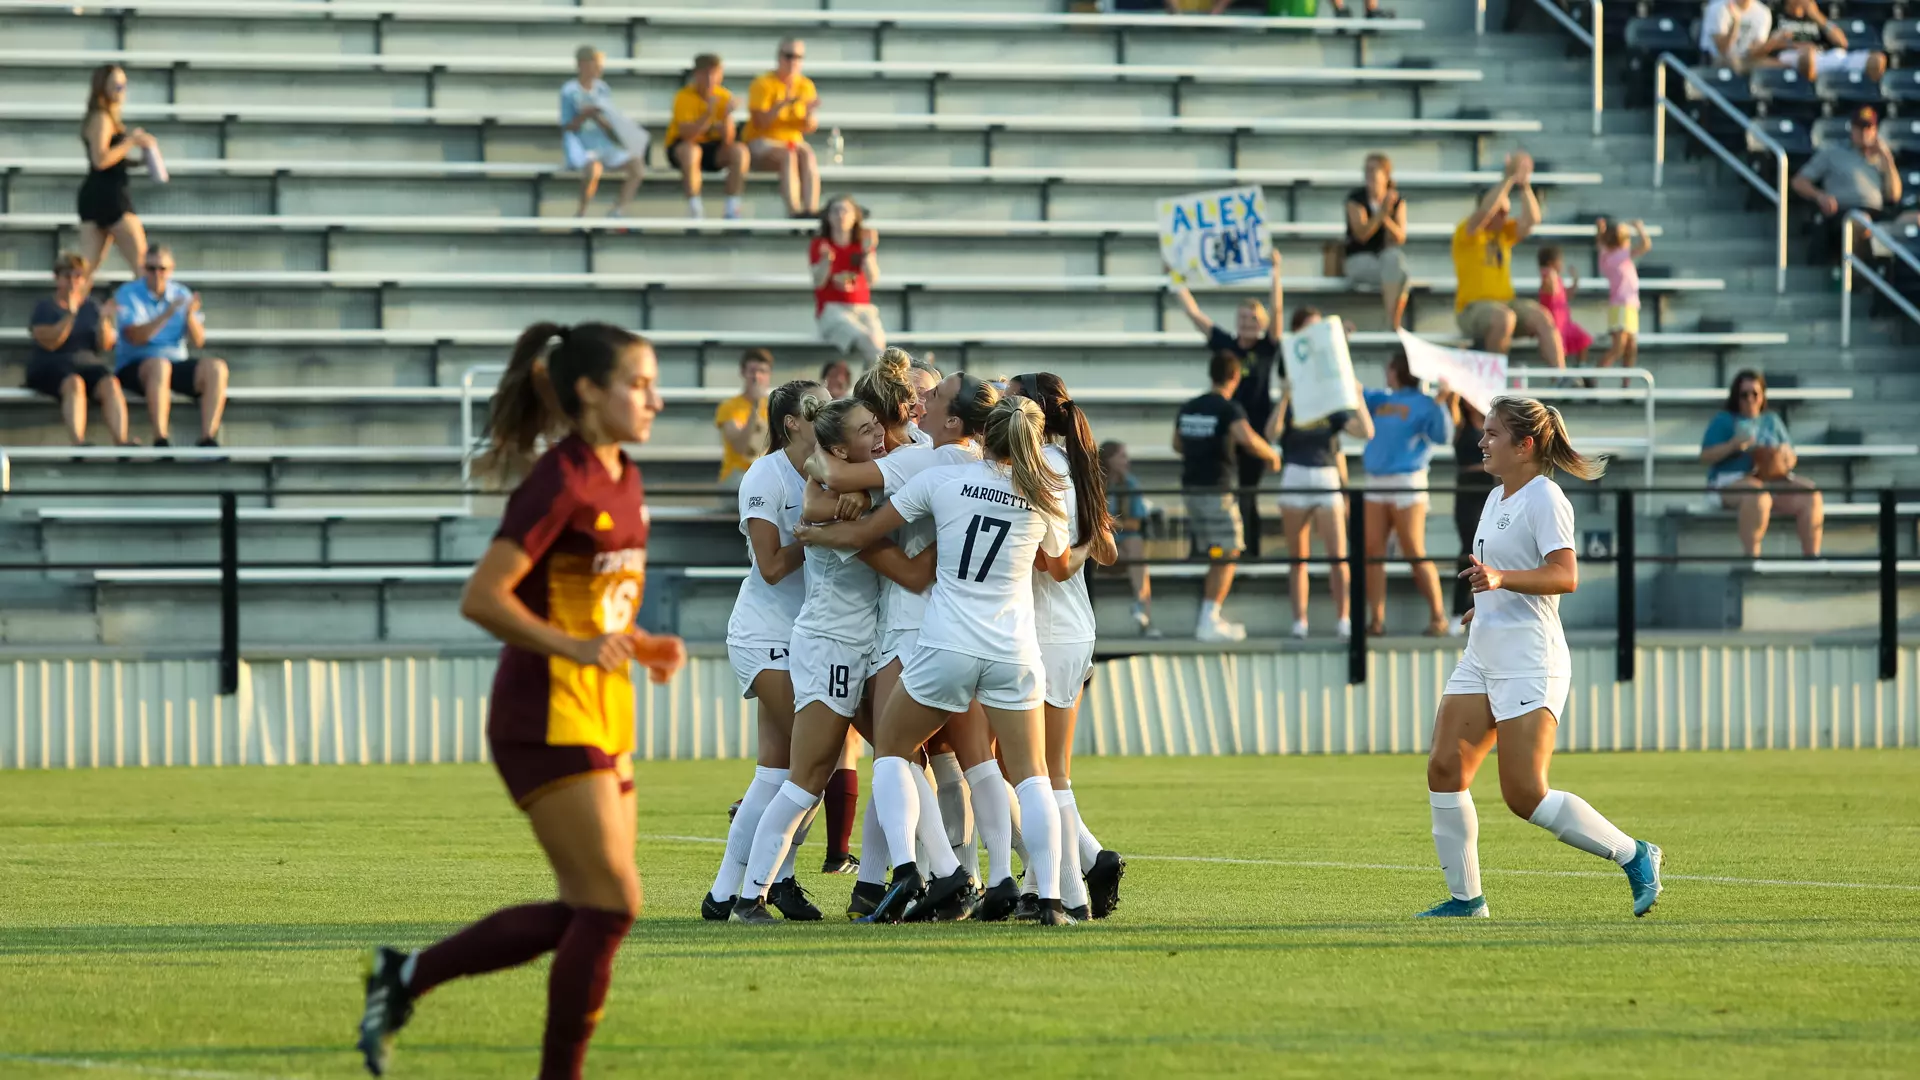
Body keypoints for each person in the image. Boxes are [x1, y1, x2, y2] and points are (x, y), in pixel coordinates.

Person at [356, 321, 686, 1079]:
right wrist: (574, 648)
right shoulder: (560, 478)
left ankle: (404, 978)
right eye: (639, 384)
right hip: (543, 712)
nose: (656, 400)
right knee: (612, 907)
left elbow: (592, 607)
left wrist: (642, 643)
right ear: (588, 391)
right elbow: (483, 597)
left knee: (589, 909)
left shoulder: (624, 476)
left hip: (603, 707)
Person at [795, 396, 1077, 926]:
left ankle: (907, 870)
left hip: (946, 644)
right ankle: (1052, 901)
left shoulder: (942, 482)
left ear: (981, 435)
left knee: (894, 752)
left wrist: (815, 534)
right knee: (1033, 776)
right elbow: (1057, 563)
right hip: (1013, 649)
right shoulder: (1047, 495)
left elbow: (862, 533)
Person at [1419, 395, 1662, 920]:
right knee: (1443, 767)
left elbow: (1564, 575)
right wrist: (1482, 603)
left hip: (1531, 660)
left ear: (1524, 445)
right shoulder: (1496, 497)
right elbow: (1502, 573)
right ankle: (1467, 901)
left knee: (1525, 794)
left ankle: (1635, 854)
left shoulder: (1546, 498)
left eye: (1491, 435)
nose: (1481, 442)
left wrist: (1502, 581)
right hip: (1483, 653)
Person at [803, 357, 999, 919]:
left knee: (903, 756)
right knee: (963, 762)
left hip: (916, 623)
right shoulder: (970, 460)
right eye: (916, 397)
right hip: (969, 625)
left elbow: (829, 493)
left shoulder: (921, 458)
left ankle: (944, 876)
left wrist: (813, 449)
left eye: (932, 397)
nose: (923, 403)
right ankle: (1016, 879)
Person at [728, 395, 902, 924]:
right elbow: (906, 569)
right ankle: (750, 896)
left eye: (878, 425)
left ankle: (886, 883)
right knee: (806, 774)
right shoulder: (823, 492)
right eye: (865, 430)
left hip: (854, 645)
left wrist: (864, 498)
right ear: (833, 448)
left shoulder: (849, 487)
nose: (879, 437)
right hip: (829, 644)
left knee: (891, 759)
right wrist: (852, 518)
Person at [704, 378, 837, 923]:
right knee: (812, 765)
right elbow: (772, 565)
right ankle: (769, 885)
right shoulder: (764, 474)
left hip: (802, 636)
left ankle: (722, 894)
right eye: (819, 411)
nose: (830, 417)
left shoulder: (832, 469)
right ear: (792, 423)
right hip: (764, 634)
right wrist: (823, 532)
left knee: (775, 773)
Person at [1011, 372, 1126, 920]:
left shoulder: (1046, 468)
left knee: (1043, 771)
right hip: (1067, 626)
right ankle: (1054, 881)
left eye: (1009, 397)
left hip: (1049, 627)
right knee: (1037, 769)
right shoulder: (1065, 463)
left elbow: (1054, 564)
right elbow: (1107, 551)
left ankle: (1070, 895)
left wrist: (1078, 543)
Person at [1167, 249, 1286, 557]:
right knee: (1215, 488)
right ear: (1237, 321)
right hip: (1222, 429)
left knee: (1248, 492)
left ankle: (1249, 550)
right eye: (1244, 318)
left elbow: (1278, 312)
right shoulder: (1227, 344)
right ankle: (1210, 551)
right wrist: (1174, 276)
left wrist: (1276, 273)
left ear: (1262, 322)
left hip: (1252, 428)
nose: (1249, 323)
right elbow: (1195, 315)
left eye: (1254, 318)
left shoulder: (1266, 348)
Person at [1274, 317, 1375, 640]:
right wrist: (1286, 397)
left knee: (1338, 555)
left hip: (1326, 475)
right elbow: (1272, 433)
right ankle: (1298, 621)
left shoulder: (1330, 400)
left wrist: (1357, 397)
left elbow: (1366, 432)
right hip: (1295, 473)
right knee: (1298, 558)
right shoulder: (1292, 396)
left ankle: (1343, 618)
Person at [1175, 352, 1281, 643]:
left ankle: (1210, 615)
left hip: (1190, 488)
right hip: (1216, 489)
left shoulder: (1190, 406)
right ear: (1235, 377)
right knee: (1230, 549)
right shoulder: (1227, 408)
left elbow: (1177, 444)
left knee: (1218, 551)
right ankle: (1208, 618)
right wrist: (1272, 456)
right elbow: (1247, 438)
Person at [1362, 351, 1452, 637]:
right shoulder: (1381, 398)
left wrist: (1442, 403)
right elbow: (1354, 394)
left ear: (1397, 369)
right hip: (1376, 480)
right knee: (1373, 552)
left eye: (1389, 367)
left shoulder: (1426, 403)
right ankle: (1376, 619)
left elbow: (1443, 435)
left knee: (1413, 549)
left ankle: (1438, 615)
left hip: (1407, 480)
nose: (1386, 372)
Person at [111, 246, 229, 448]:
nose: (157, 274)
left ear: (171, 269)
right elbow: (135, 337)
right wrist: (167, 314)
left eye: (162, 268)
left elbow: (198, 341)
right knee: (159, 366)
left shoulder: (181, 293)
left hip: (173, 362)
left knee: (216, 368)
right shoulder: (128, 293)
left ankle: (208, 438)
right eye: (151, 268)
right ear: (143, 268)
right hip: (136, 365)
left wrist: (190, 316)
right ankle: (160, 438)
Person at [1453, 151, 1561, 367]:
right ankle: (1495, 383)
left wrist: (1524, 185)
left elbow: (1532, 219)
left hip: (1504, 304)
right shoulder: (1468, 231)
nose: (1505, 217)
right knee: (1504, 318)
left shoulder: (1504, 233)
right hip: (1473, 308)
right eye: (1501, 212)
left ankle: (1561, 377)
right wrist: (1508, 177)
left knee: (1542, 317)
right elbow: (1486, 210)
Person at [1700, 370, 1824, 558]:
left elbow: (1791, 456)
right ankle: (1752, 560)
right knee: (1758, 496)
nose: (1750, 399)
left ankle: (1812, 558)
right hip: (1731, 480)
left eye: (1755, 394)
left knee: (1811, 494)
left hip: (1770, 478)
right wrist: (1733, 445)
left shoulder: (1771, 421)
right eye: (1744, 394)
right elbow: (1706, 455)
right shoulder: (1724, 420)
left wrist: (1785, 455)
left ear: (1762, 396)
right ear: (1736, 396)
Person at [26, 251, 133, 447]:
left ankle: (121, 440)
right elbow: (51, 342)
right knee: (74, 383)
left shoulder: (92, 306)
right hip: (51, 365)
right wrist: (70, 314)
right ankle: (78, 442)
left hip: (86, 364)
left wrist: (103, 319)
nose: (73, 282)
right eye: (68, 276)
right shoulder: (44, 307)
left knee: (110, 382)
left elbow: (105, 345)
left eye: (78, 276)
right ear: (57, 278)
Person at [1793, 107, 1901, 261]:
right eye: (1859, 128)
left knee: (1914, 220)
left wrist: (1888, 160)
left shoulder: (1881, 158)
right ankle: (1858, 280)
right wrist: (1820, 196)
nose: (1864, 133)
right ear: (1852, 129)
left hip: (1877, 214)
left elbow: (1894, 196)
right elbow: (1799, 181)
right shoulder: (1832, 152)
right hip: (1844, 213)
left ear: (1875, 130)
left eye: (1868, 128)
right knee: (1860, 221)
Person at [78, 64, 156, 275]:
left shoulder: (107, 118)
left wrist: (139, 160)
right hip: (110, 196)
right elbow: (100, 159)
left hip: (98, 194)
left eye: (123, 85)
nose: (122, 90)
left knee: (86, 271)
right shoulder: (102, 118)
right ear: (103, 87)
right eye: (116, 85)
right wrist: (131, 141)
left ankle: (70, 307)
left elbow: (112, 159)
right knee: (143, 266)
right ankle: (153, 307)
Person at [741, 38, 822, 218]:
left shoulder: (805, 85)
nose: (793, 61)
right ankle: (793, 211)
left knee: (807, 154)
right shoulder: (763, 84)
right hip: (763, 141)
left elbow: (808, 127)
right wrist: (780, 106)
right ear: (779, 57)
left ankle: (811, 209)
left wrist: (809, 114)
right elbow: (760, 123)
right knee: (789, 155)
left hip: (792, 140)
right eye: (789, 56)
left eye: (798, 57)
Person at [560, 46, 644, 219]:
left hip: (602, 142)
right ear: (583, 65)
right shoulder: (569, 91)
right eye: (596, 64)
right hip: (580, 143)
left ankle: (618, 210)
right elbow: (567, 126)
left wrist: (602, 118)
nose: (600, 68)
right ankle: (581, 212)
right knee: (593, 168)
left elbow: (609, 122)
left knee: (637, 167)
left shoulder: (602, 89)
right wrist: (585, 115)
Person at [665, 54, 748, 220]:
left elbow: (728, 140)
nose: (710, 79)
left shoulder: (724, 96)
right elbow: (688, 135)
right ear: (696, 74)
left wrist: (726, 117)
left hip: (713, 148)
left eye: (714, 73)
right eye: (705, 74)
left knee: (740, 152)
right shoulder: (684, 96)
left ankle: (732, 207)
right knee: (691, 152)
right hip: (684, 147)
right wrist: (708, 114)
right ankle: (694, 207)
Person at [811, 196, 884, 362]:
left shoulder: (861, 244)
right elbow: (818, 282)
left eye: (845, 210)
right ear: (828, 217)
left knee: (878, 343)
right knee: (870, 342)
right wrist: (826, 261)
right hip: (832, 310)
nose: (840, 215)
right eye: (835, 211)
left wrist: (867, 252)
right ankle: (878, 386)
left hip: (863, 309)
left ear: (854, 216)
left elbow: (872, 278)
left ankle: (874, 385)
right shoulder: (820, 244)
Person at [1345, 153, 1411, 331]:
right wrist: (1381, 213)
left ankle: (1391, 323)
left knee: (1395, 260)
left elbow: (1399, 237)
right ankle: (1394, 325)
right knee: (1401, 274)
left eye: (1373, 170)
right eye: (1366, 169)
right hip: (1359, 259)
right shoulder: (1356, 199)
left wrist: (1386, 218)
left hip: (1384, 260)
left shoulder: (1396, 202)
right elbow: (1361, 234)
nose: (1369, 174)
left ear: (1386, 174)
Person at [1446, 394, 1492, 637]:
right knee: (1468, 549)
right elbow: (1451, 407)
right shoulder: (1462, 424)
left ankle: (1481, 608)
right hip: (1466, 489)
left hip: (1488, 488)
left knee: (1488, 549)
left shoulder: (1491, 424)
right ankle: (1457, 610)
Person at [1102, 440, 1157, 637]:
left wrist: (1109, 522)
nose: (1127, 461)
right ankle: (1145, 616)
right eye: (1122, 456)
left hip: (1122, 548)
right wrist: (1111, 524)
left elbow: (1135, 524)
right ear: (1109, 459)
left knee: (1135, 546)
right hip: (1098, 546)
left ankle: (1142, 608)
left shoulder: (1130, 483)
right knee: (1136, 554)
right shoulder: (1094, 482)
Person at [1766, 0, 1887, 81]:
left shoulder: (1815, 16)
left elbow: (1842, 42)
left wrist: (1816, 15)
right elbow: (1766, 47)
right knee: (1808, 56)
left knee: (1876, 60)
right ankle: (1813, 90)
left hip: (1826, 56)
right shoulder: (1776, 15)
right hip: (1794, 57)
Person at [1596, 217, 1651, 371]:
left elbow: (1601, 243)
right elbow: (1646, 245)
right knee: (1620, 347)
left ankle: (1625, 382)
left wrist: (1600, 231)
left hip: (1628, 305)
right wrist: (1639, 228)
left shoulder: (1608, 255)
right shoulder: (1619, 255)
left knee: (1630, 346)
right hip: (1622, 305)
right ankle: (1594, 375)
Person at [714, 347, 774, 489]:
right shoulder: (729, 407)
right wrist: (755, 407)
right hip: (737, 476)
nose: (757, 377)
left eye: (762, 371)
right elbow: (740, 447)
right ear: (743, 372)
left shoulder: (776, 407)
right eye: (752, 371)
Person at [1536, 246, 1591, 367]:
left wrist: (1575, 281)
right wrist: (1551, 275)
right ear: (1551, 263)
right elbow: (1549, 289)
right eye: (1559, 261)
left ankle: (1581, 366)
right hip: (1554, 324)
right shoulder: (1547, 277)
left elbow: (1566, 295)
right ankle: (1558, 378)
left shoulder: (1557, 279)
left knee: (1583, 339)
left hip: (1565, 322)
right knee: (1557, 353)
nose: (1562, 264)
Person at [1700, 0, 1775, 73]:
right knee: (1733, 62)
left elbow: (1756, 49)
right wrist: (1736, 23)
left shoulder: (1763, 12)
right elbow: (1723, 49)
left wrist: (1774, 43)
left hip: (1746, 59)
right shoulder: (1717, 8)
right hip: (1716, 59)